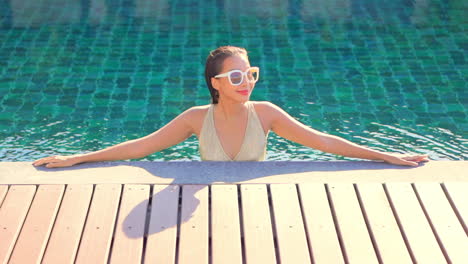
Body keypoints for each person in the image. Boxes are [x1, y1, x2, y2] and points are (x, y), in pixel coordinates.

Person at [33, 46, 429, 168]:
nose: (247, 83)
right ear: (216, 84)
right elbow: (140, 146)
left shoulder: (268, 113)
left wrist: (386, 156)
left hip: (255, 204)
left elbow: (322, 141)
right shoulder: (194, 118)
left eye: (251, 74)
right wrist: (76, 158)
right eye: (236, 77)